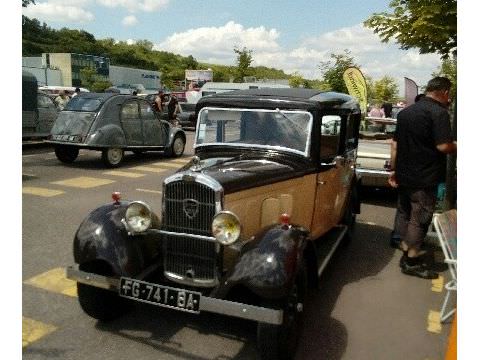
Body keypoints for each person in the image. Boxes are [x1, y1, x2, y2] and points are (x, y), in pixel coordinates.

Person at [388, 77, 456, 279]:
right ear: (444, 92)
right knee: (420, 218)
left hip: (404, 174)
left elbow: (396, 145)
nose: (449, 98)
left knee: (404, 212)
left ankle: (404, 244)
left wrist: (394, 170)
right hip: (425, 176)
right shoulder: (439, 113)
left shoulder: (406, 112)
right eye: (449, 93)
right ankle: (411, 260)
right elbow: (443, 146)